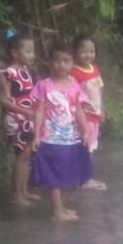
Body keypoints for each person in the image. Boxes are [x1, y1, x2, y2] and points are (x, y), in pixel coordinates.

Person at [30, 41, 93, 221]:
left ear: (72, 63)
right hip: (50, 139)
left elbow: (79, 110)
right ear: (49, 63)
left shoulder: (74, 86)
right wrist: (36, 135)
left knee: (67, 172)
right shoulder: (44, 85)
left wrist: (85, 131)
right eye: (56, 61)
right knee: (54, 174)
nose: (61, 65)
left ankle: (61, 207)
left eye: (66, 61)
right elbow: (39, 111)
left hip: (71, 138)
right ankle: (57, 211)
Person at [0, 32, 41, 206]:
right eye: (28, 51)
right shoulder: (9, 73)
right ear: (15, 53)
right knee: (22, 157)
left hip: (27, 118)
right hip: (17, 119)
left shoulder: (26, 71)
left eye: (33, 51)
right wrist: (25, 112)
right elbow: (3, 100)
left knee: (26, 156)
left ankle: (23, 191)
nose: (32, 55)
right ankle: (17, 195)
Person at [70, 34, 107, 191]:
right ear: (75, 52)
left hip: (95, 116)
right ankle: (85, 179)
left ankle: (83, 176)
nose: (88, 55)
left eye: (91, 51)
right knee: (84, 146)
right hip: (83, 117)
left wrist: (102, 109)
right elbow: (72, 96)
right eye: (83, 51)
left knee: (89, 146)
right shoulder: (74, 73)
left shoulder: (95, 69)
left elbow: (100, 90)